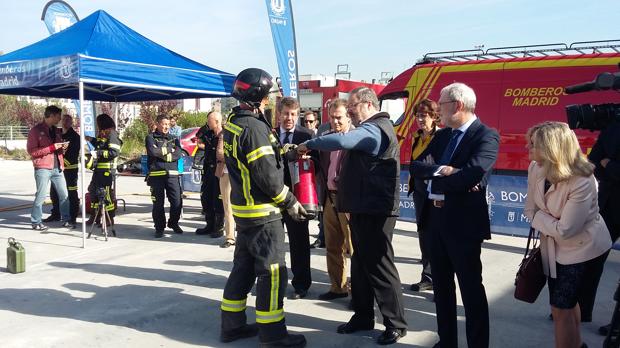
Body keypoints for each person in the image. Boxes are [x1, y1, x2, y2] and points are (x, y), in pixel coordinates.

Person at [298, 87, 408, 345]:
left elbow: (342, 140)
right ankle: (362, 315)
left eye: (353, 108)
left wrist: (309, 143)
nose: (349, 113)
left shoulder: (375, 128)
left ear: (369, 105)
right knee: (360, 265)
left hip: (375, 210)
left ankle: (396, 324)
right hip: (363, 207)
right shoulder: (372, 127)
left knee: (380, 266)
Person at [219, 68, 307, 348]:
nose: (270, 100)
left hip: (244, 212)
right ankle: (273, 334)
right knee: (272, 272)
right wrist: (291, 202)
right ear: (258, 96)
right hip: (263, 213)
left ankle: (231, 326)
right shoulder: (255, 128)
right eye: (267, 95)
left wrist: (286, 152)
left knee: (242, 269)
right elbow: (268, 177)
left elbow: (255, 160)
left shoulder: (234, 120)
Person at [410, 82, 499, 348]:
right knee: (442, 290)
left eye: (442, 104)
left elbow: (472, 174)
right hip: (435, 222)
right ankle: (446, 341)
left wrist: (438, 178)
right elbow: (416, 165)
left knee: (471, 291)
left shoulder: (486, 135)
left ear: (457, 106)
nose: (438, 109)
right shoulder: (443, 135)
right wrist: (445, 172)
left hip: (463, 226)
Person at [524, 121, 612, 348]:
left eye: (533, 144)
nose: (528, 148)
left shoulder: (582, 180)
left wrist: (540, 218)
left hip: (584, 249)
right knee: (563, 305)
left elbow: (566, 230)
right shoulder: (536, 168)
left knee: (560, 308)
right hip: (553, 248)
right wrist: (544, 219)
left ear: (551, 148)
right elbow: (529, 209)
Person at [315, 98, 354, 301]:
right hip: (329, 197)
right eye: (331, 117)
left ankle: (359, 294)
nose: (335, 121)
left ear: (349, 116)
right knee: (332, 245)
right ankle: (338, 287)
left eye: (339, 117)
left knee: (353, 248)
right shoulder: (327, 138)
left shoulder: (357, 138)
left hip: (348, 200)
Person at [277, 96, 314, 300]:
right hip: (273, 196)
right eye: (285, 114)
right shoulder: (271, 134)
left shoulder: (306, 134)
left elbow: (317, 161)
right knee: (273, 242)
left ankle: (301, 284)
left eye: (292, 114)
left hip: (297, 197)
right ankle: (274, 281)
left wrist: (308, 160)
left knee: (299, 242)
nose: (289, 118)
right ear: (279, 114)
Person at [587, 121, 620, 336]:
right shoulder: (612, 127)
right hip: (608, 205)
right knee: (592, 259)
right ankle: (578, 309)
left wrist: (611, 165)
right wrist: (606, 165)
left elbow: (604, 163)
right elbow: (594, 162)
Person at [407, 99, 441, 293]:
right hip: (420, 191)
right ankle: (427, 276)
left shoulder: (442, 136)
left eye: (424, 115)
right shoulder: (417, 137)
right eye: (417, 115)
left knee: (436, 236)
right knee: (424, 234)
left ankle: (439, 279)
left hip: (436, 192)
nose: (420, 119)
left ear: (434, 116)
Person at [26, 105, 72, 230]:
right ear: (51, 116)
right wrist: (52, 147)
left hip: (57, 168)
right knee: (41, 195)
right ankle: (36, 222)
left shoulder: (57, 131)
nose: (59, 119)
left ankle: (67, 219)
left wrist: (63, 148)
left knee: (64, 195)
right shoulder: (35, 131)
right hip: (43, 168)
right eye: (58, 117)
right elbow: (32, 151)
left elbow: (57, 148)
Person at [145, 114, 184, 238]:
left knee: (177, 201)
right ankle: (159, 228)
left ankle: (173, 223)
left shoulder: (174, 138)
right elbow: (152, 151)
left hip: (172, 175)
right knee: (158, 204)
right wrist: (169, 150)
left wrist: (162, 153)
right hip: (156, 175)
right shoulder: (150, 137)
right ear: (157, 124)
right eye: (164, 124)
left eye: (168, 124)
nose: (166, 126)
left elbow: (178, 154)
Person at [85, 114, 122, 227]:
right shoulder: (104, 134)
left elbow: (113, 152)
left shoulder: (112, 134)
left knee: (105, 194)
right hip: (98, 170)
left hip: (107, 170)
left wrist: (98, 153)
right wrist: (91, 140)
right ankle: (95, 216)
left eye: (98, 123)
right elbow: (101, 145)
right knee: (93, 190)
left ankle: (109, 218)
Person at [46, 114, 81, 225]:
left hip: (70, 170)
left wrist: (62, 163)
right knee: (54, 193)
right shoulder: (57, 133)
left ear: (71, 123)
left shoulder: (75, 136)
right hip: (57, 169)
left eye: (68, 120)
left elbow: (73, 154)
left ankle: (72, 217)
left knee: (71, 193)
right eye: (64, 120)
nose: (66, 122)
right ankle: (56, 214)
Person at [195, 111, 224, 237]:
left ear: (217, 122)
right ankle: (209, 224)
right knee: (206, 198)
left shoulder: (225, 135)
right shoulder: (208, 134)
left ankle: (218, 227)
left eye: (209, 121)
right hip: (208, 171)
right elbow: (199, 137)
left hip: (220, 171)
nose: (207, 123)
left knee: (218, 200)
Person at [210, 111, 236, 248]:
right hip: (226, 173)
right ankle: (230, 237)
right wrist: (237, 159)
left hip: (240, 173)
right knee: (228, 206)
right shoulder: (223, 135)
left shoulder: (243, 133)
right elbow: (220, 154)